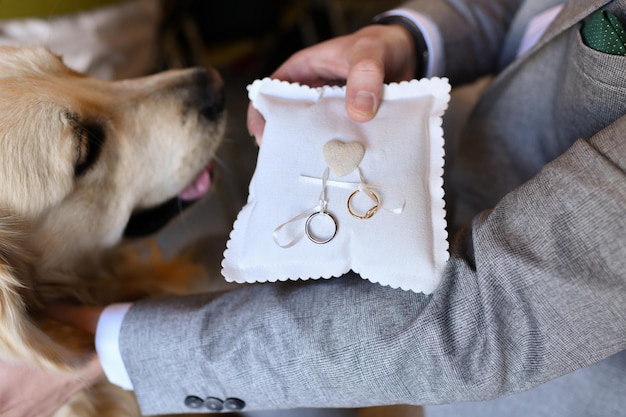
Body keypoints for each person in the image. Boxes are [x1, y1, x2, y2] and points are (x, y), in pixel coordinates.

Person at [3, 0, 626, 415]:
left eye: (81, 149)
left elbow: (488, 320)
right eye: (85, 148)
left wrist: (109, 348)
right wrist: (408, 37)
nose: (194, 81)